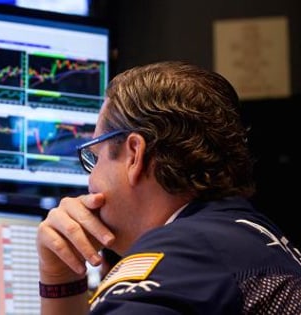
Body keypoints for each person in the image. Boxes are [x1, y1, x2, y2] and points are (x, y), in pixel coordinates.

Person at [36, 61, 301, 314]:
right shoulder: (253, 236)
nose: (90, 181)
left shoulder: (181, 258)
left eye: (95, 157)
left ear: (134, 154)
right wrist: (61, 277)